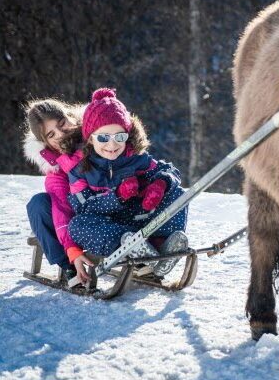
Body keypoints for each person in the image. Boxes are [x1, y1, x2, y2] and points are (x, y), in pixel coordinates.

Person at [64, 88, 189, 283]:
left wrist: (161, 183)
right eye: (104, 138)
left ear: (127, 136)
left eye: (119, 137)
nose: (112, 144)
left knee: (178, 193)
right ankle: (131, 248)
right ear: (90, 137)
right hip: (113, 229)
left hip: (143, 223)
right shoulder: (80, 171)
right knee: (77, 226)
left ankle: (162, 246)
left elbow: (170, 171)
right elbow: (83, 206)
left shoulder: (137, 159)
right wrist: (118, 196)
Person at [23, 98, 84, 281]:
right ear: (46, 143)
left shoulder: (98, 137)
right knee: (39, 204)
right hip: (72, 217)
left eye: (62, 123)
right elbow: (62, 207)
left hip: (106, 208)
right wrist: (72, 250)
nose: (60, 134)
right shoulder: (55, 170)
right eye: (51, 134)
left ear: (70, 117)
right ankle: (68, 265)